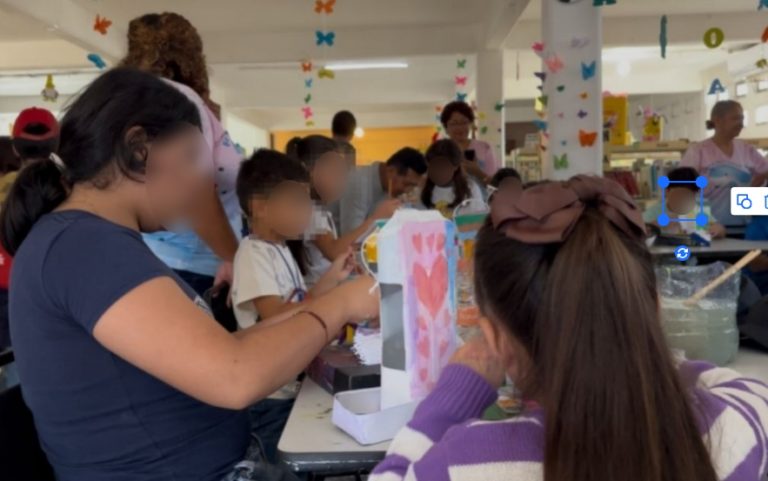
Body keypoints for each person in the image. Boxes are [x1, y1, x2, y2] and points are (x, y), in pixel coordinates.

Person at [2, 68, 378, 481]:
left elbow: (223, 349)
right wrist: (341, 304)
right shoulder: (83, 247)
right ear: (138, 149)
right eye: (191, 157)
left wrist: (330, 304)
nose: (202, 181)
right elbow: (234, 375)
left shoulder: (90, 240)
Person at [372, 176, 768, 481]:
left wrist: (455, 392)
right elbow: (743, 388)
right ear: (653, 310)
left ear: (494, 340)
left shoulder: (468, 462)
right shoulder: (731, 428)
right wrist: (642, 347)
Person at [231, 149, 356, 463]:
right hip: (270, 392)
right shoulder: (253, 254)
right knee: (282, 465)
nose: (308, 212)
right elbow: (275, 316)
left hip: (291, 380)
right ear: (261, 207)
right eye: (297, 202)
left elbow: (303, 300)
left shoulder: (281, 249)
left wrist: (334, 275)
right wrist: (337, 305)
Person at [120, 12, 241, 296]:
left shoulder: (131, 100)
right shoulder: (179, 100)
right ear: (191, 55)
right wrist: (237, 259)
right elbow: (195, 192)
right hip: (196, 265)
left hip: (157, 255)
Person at [681, 100, 768, 230]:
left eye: (742, 119)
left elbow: (765, 171)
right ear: (718, 120)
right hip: (708, 227)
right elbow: (681, 187)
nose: (741, 124)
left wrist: (758, 183)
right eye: (735, 118)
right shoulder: (698, 151)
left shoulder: (746, 149)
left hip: (745, 227)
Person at [338, 147, 426, 234]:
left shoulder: (388, 187)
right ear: (391, 171)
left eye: (413, 186)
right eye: (406, 184)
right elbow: (351, 235)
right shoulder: (358, 182)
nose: (407, 191)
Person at [644, 166, 725, 238]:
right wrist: (655, 226)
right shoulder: (654, 212)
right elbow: (641, 233)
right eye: (679, 194)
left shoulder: (697, 211)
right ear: (667, 191)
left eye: (689, 196)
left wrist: (717, 230)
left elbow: (720, 229)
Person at [420, 139, 484, 218]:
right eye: (433, 166)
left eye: (443, 167)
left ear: (456, 166)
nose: (438, 172)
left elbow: (478, 221)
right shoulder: (422, 188)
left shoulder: (471, 188)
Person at [440, 101, 499, 183]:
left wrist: (478, 173)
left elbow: (495, 186)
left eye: (464, 122)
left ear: (470, 124)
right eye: (454, 123)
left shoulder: (484, 148)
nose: (459, 128)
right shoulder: (440, 150)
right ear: (446, 128)